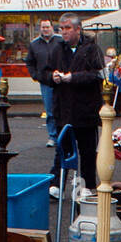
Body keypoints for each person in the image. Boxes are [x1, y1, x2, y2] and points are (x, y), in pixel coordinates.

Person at [42, 13, 105, 196]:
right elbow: (44, 72)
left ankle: (88, 186)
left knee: (87, 151)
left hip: (86, 109)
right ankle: (57, 184)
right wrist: (51, 77)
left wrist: (73, 78)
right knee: (63, 148)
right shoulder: (57, 49)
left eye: (68, 28)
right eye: (61, 28)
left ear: (78, 29)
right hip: (64, 108)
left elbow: (98, 74)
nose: (64, 32)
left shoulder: (92, 48)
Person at [26, 18, 61, 146]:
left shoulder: (60, 41)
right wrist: (35, 75)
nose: (45, 29)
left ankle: (63, 136)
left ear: (52, 27)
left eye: (47, 27)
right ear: (39, 29)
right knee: (50, 111)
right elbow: (29, 62)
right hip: (45, 82)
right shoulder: (34, 44)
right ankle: (52, 137)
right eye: (43, 27)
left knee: (63, 109)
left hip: (61, 81)